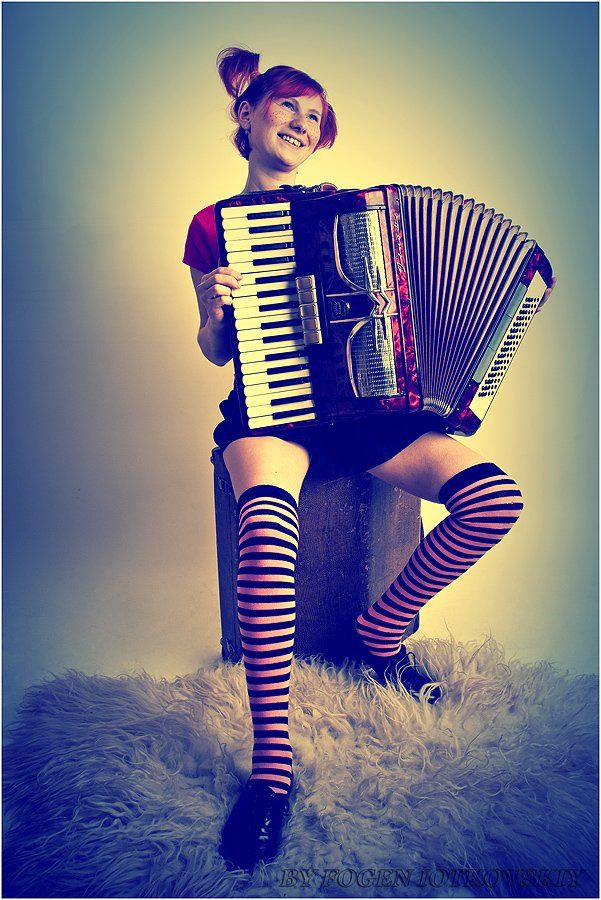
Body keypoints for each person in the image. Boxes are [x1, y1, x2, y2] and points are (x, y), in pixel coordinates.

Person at [183, 46, 555, 873]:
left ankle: (378, 632)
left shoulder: (351, 217)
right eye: (288, 105)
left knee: (494, 500)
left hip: (359, 416)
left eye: (315, 116)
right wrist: (212, 313)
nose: (301, 122)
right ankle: (271, 774)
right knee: (265, 531)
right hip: (271, 413)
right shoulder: (213, 224)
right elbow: (215, 350)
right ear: (245, 114)